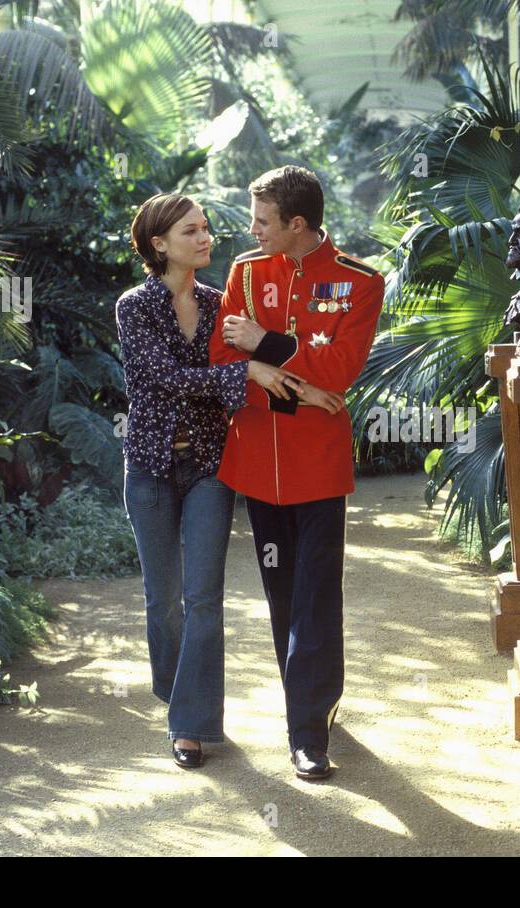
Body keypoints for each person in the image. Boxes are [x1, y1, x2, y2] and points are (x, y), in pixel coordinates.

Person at [115, 192, 341, 769]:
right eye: (191, 231)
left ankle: (191, 726)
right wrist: (248, 372)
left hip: (211, 469)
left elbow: (273, 355)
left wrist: (290, 381)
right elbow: (162, 377)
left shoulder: (223, 303)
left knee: (204, 599)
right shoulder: (134, 307)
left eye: (206, 228)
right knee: (162, 602)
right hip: (150, 467)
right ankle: (176, 692)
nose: (206, 237)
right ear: (159, 244)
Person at [209, 166, 385, 780]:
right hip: (259, 462)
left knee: (314, 596)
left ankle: (307, 733)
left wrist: (268, 342)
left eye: (262, 220)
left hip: (317, 467)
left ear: (298, 224)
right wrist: (298, 389)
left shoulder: (359, 281)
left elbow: (340, 367)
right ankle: (311, 706)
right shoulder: (245, 273)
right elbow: (223, 355)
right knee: (281, 595)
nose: (251, 230)